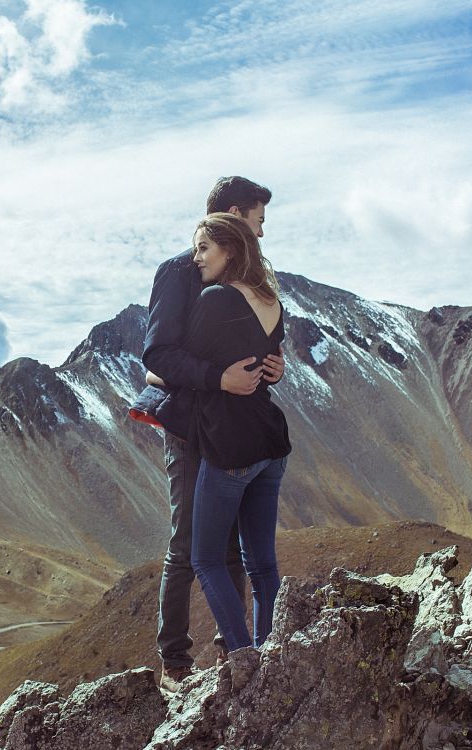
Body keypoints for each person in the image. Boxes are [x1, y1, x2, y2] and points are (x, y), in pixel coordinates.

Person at [130, 176, 284, 690]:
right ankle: (175, 660)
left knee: (234, 546)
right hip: (189, 426)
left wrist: (272, 365)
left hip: (230, 427)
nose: (261, 234)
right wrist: (218, 377)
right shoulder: (180, 272)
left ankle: (231, 649)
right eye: (257, 222)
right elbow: (157, 358)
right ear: (236, 218)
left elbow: (247, 342)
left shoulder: (249, 283)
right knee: (189, 543)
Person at [182, 213, 290, 652]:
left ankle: (245, 657)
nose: (196, 258)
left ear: (229, 249)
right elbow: (267, 362)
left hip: (232, 446)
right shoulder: (271, 301)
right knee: (262, 562)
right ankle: (271, 655)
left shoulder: (216, 301)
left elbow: (173, 367)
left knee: (205, 560)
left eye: (204, 247)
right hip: (271, 445)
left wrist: (157, 377)